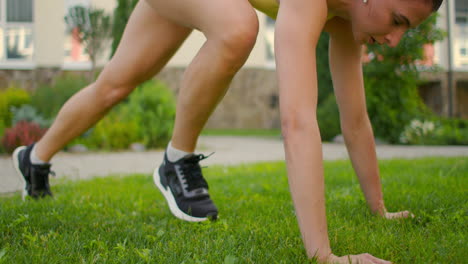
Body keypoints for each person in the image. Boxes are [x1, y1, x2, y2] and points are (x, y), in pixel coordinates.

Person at [12, 0, 442, 262]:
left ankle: (34, 159)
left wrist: (379, 208)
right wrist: (323, 255)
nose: (396, 38)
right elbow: (297, 122)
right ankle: (177, 161)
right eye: (398, 19)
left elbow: (355, 120)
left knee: (114, 85)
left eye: (408, 28)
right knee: (239, 29)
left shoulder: (347, 22)